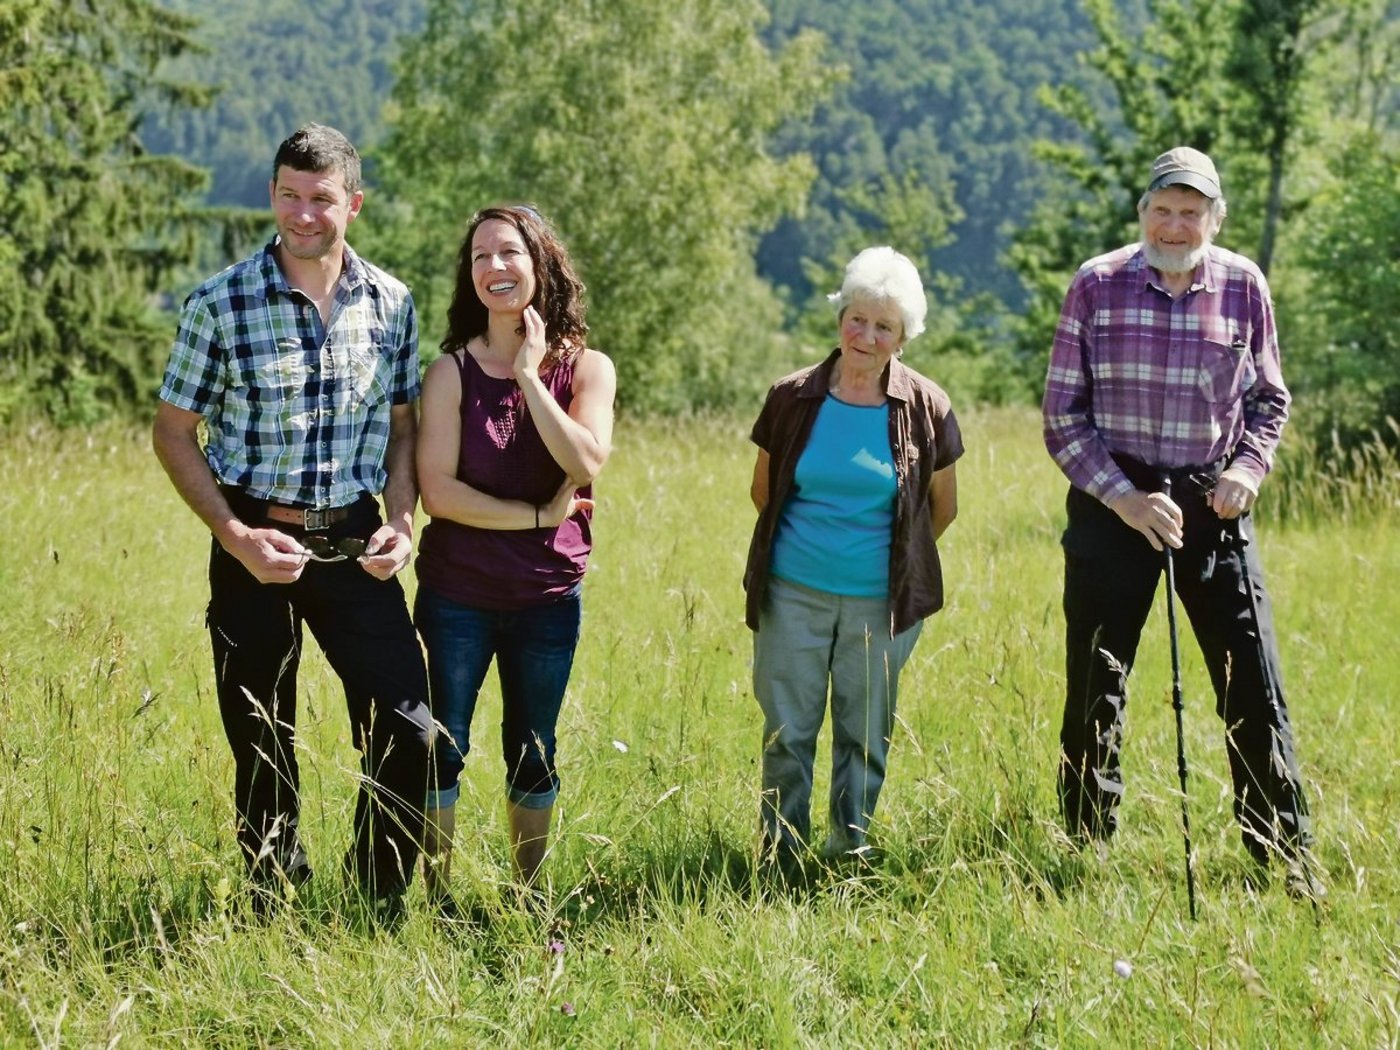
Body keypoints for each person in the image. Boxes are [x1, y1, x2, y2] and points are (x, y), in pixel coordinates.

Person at [153, 124, 432, 921]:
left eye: (320, 199)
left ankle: (376, 901)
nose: (302, 215)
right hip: (253, 538)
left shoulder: (392, 304)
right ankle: (273, 905)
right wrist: (234, 537)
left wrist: (402, 521)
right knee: (261, 736)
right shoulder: (220, 302)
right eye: (288, 196)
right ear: (273, 194)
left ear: (354, 202)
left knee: (408, 729)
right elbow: (173, 431)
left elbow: (405, 428)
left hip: (354, 540)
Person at [1042, 146, 1317, 893]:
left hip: (1210, 499)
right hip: (1114, 501)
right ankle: (1086, 848)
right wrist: (1124, 500)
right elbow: (1063, 417)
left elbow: (1269, 401)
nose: (1174, 224)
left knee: (1251, 683)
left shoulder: (1243, 286)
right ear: (1142, 213)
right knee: (1097, 677)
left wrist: (1246, 471)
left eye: (1190, 212)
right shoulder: (1096, 285)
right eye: (1162, 210)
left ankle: (1283, 856)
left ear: (1213, 219)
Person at [414, 205, 615, 913]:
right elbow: (439, 494)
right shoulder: (448, 373)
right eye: (480, 258)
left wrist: (530, 376)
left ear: (540, 263)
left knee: (534, 750)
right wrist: (535, 516)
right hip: (456, 595)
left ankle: (528, 895)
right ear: (469, 279)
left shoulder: (586, 368)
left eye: (509, 253)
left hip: (546, 596)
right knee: (441, 745)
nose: (495, 268)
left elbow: (586, 457)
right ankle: (437, 900)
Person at [743, 246, 963, 872]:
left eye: (883, 326)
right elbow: (765, 493)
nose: (865, 335)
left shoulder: (927, 406)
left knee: (864, 736)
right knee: (788, 733)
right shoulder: (791, 397)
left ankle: (849, 855)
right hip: (792, 593)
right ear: (840, 315)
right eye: (857, 318)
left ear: (903, 338)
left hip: (882, 604)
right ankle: (779, 856)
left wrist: (884, 564)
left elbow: (939, 510)